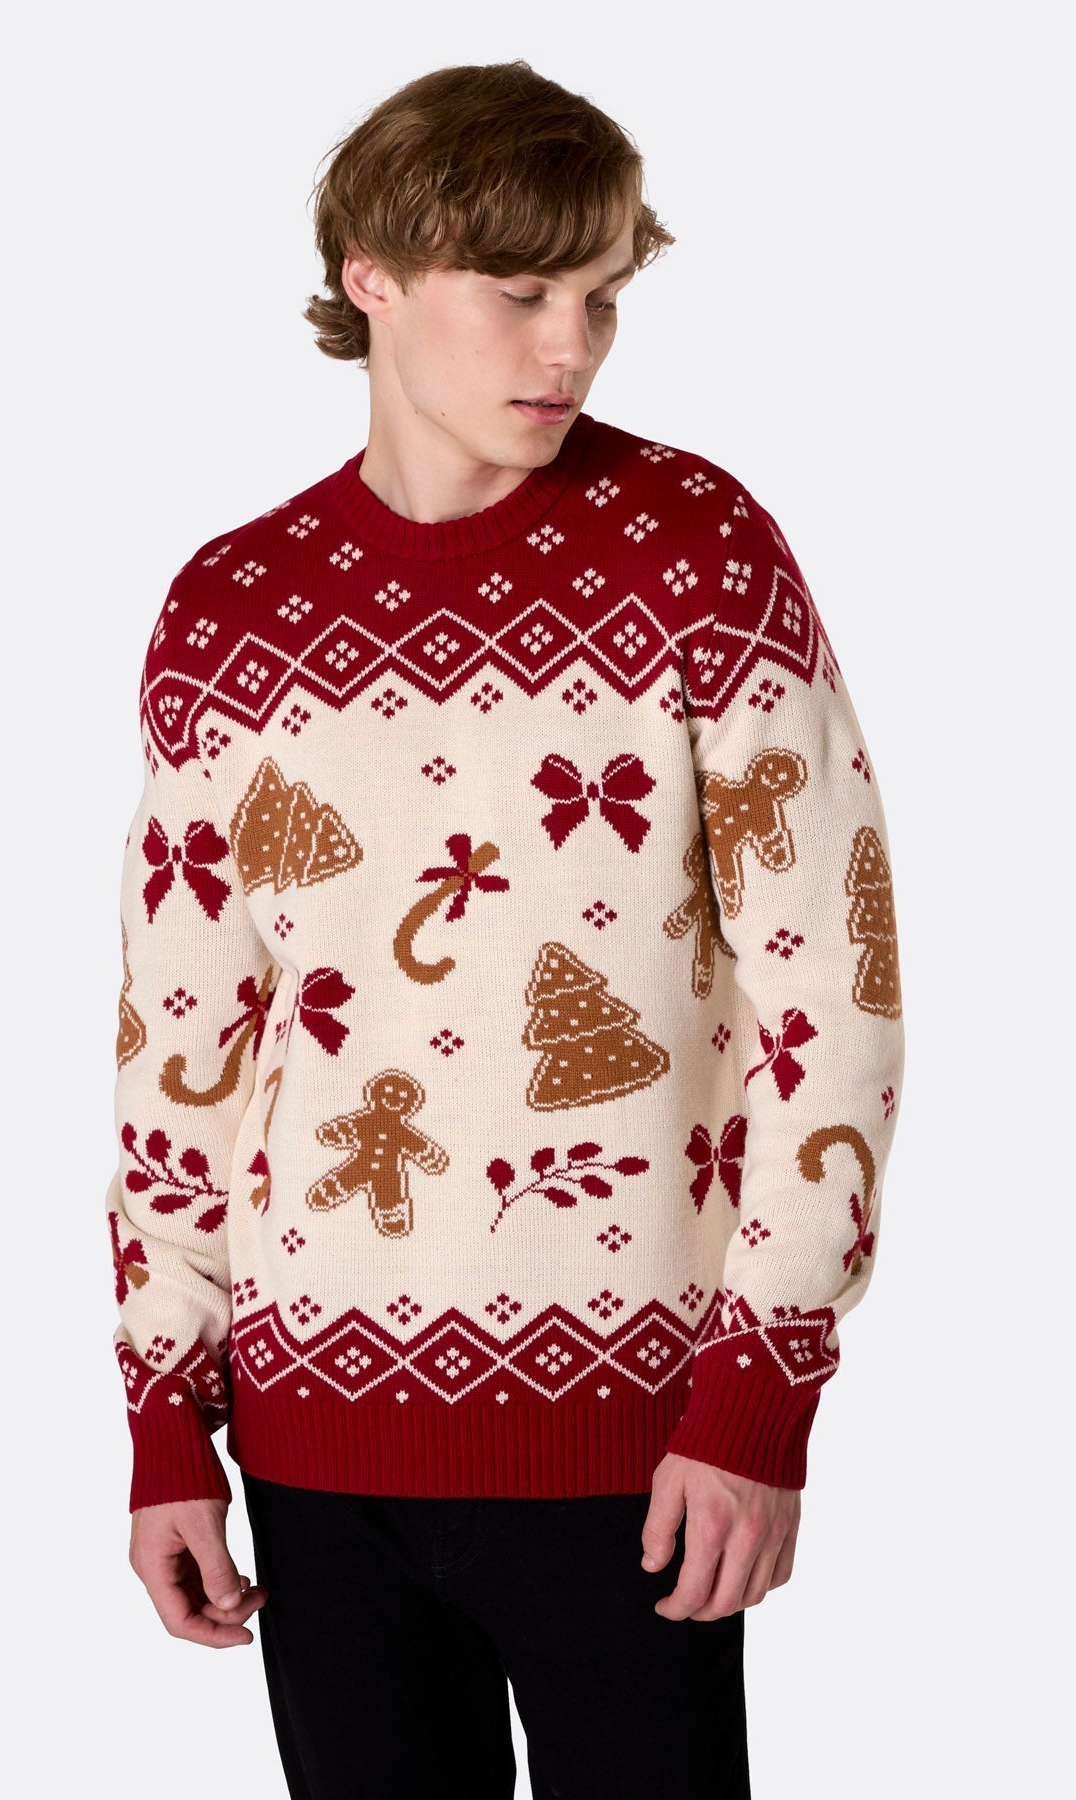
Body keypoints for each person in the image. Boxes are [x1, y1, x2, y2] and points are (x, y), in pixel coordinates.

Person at [103, 59, 905, 1800]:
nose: (573, 347)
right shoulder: (232, 607)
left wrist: (759, 1396)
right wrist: (167, 1413)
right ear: (372, 279)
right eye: (524, 292)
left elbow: (830, 998)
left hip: (638, 1442)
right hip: (313, 1450)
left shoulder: (697, 550)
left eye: (603, 297)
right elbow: (184, 1046)